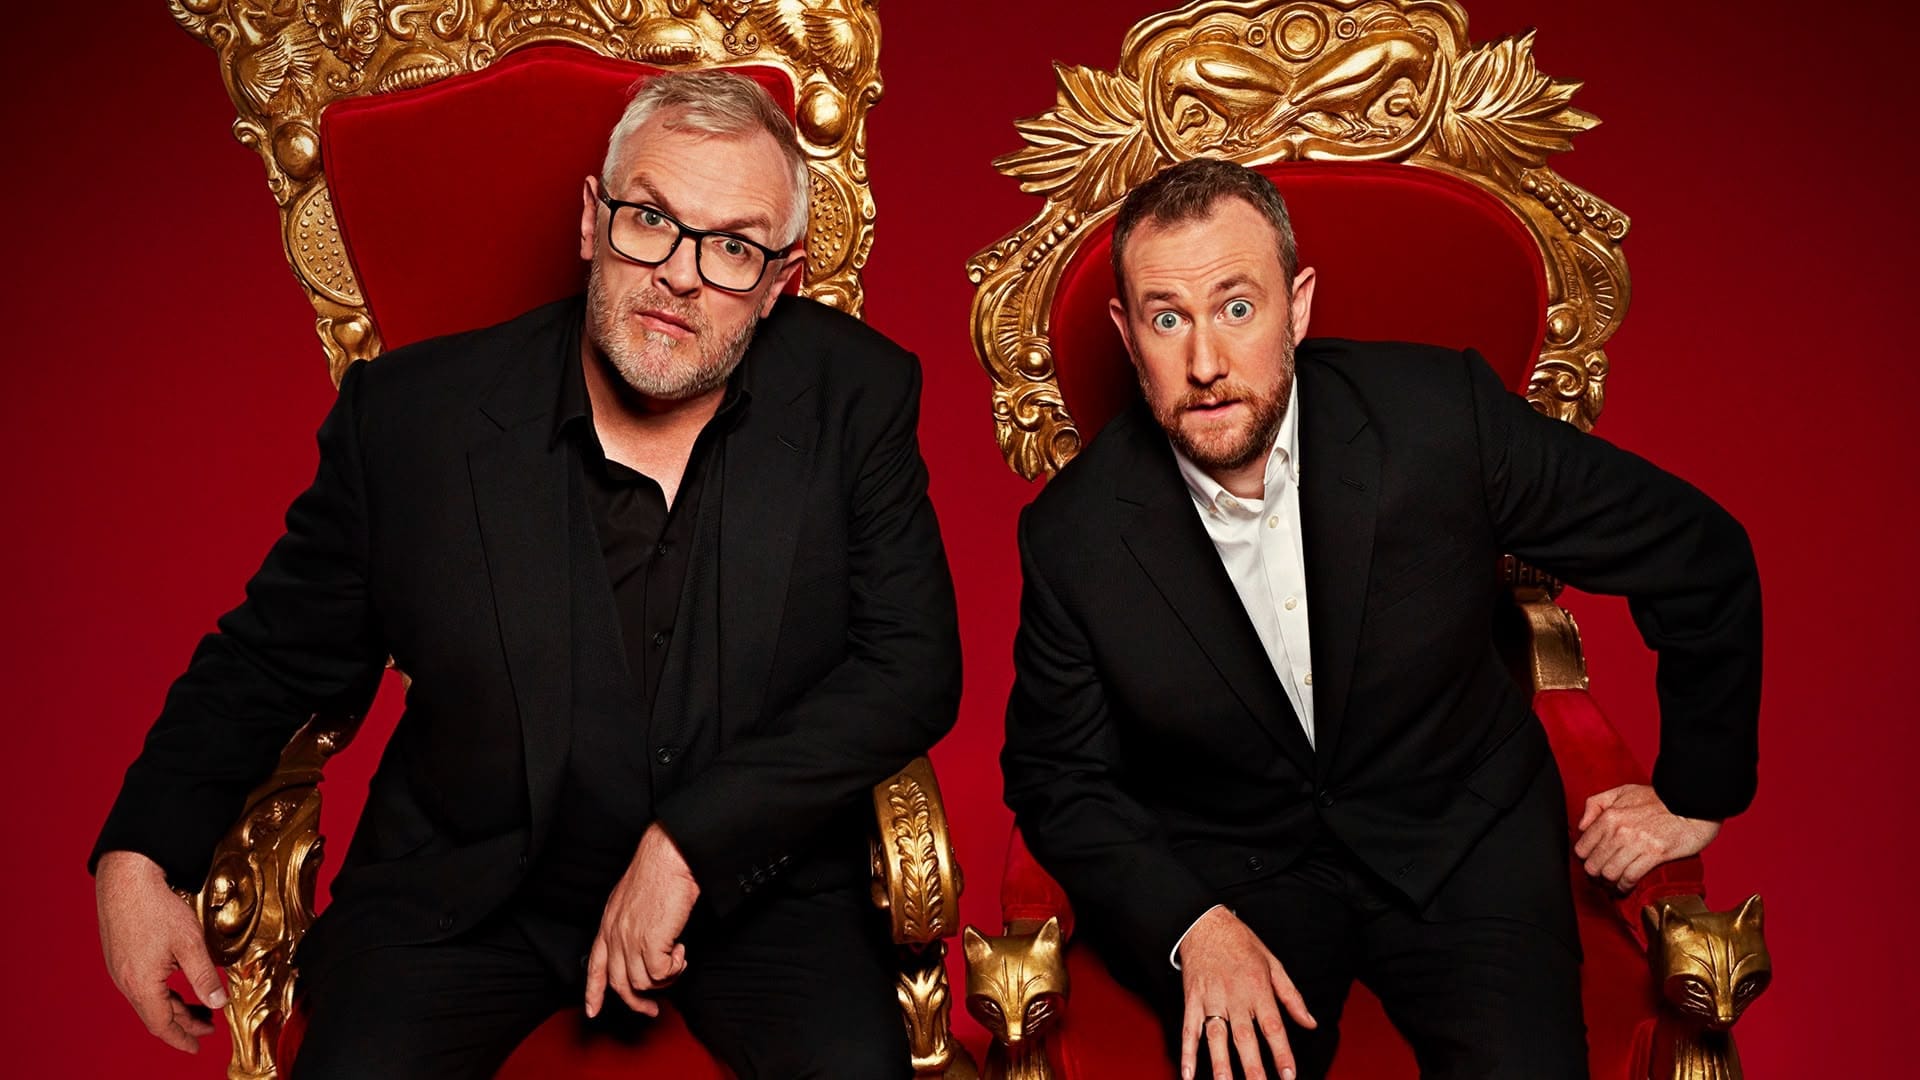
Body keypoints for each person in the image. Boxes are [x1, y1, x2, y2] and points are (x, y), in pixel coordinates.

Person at [92, 70, 959, 1079]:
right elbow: (272, 661)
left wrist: (689, 845)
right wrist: (139, 855)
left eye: (732, 246)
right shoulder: (414, 420)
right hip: (466, 897)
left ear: (781, 283)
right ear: (593, 220)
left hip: (757, 895)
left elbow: (911, 666)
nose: (679, 275)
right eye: (650, 218)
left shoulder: (857, 396)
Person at [1001, 158, 1760, 1080]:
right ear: (1127, 334)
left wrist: (1695, 794)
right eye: (1169, 318)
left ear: (1298, 307)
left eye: (1237, 308)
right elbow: (1057, 776)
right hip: (1239, 870)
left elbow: (1696, 552)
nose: (1205, 363)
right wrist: (1189, 926)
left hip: (1461, 833)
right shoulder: (1074, 535)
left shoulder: (1440, 419)